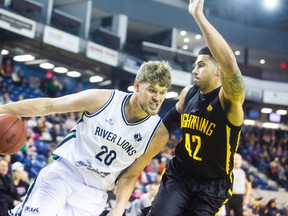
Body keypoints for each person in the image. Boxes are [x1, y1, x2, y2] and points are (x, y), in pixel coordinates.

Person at [0, 60, 171, 216]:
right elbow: (48, 105)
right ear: (137, 86)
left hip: (94, 193)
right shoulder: (103, 100)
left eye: (163, 92)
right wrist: (3, 110)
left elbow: (130, 175)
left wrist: (119, 207)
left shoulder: (158, 134)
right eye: (152, 90)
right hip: (64, 174)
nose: (157, 98)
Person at [148, 0, 245, 215]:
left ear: (219, 70)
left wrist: (199, 17)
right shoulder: (187, 94)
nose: (194, 70)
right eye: (194, 65)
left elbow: (231, 66)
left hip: (212, 185)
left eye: (201, 64)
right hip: (180, 174)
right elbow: (166, 126)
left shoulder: (229, 101)